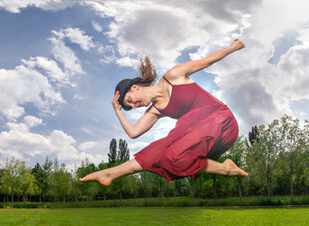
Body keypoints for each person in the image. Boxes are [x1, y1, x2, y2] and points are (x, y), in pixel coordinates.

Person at [80, 39, 249, 186]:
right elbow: (133, 133)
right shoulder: (154, 111)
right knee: (160, 152)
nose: (134, 105)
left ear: (135, 87)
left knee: (173, 150)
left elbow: (208, 60)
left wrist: (234, 47)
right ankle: (111, 173)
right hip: (207, 137)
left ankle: (226, 168)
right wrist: (118, 111)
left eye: (130, 100)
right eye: (130, 106)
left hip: (222, 121)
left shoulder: (174, 76)